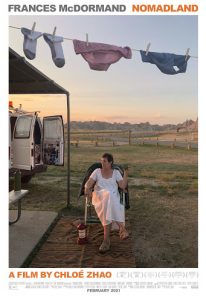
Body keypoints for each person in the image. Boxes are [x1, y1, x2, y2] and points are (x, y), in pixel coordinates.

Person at [84, 153, 129, 253]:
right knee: (108, 195)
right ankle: (121, 227)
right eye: (101, 161)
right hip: (99, 196)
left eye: (104, 161)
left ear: (110, 162)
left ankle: (106, 240)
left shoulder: (116, 172)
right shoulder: (97, 171)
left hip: (112, 198)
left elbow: (122, 186)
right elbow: (89, 182)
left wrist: (125, 173)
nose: (102, 163)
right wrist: (86, 187)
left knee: (109, 197)